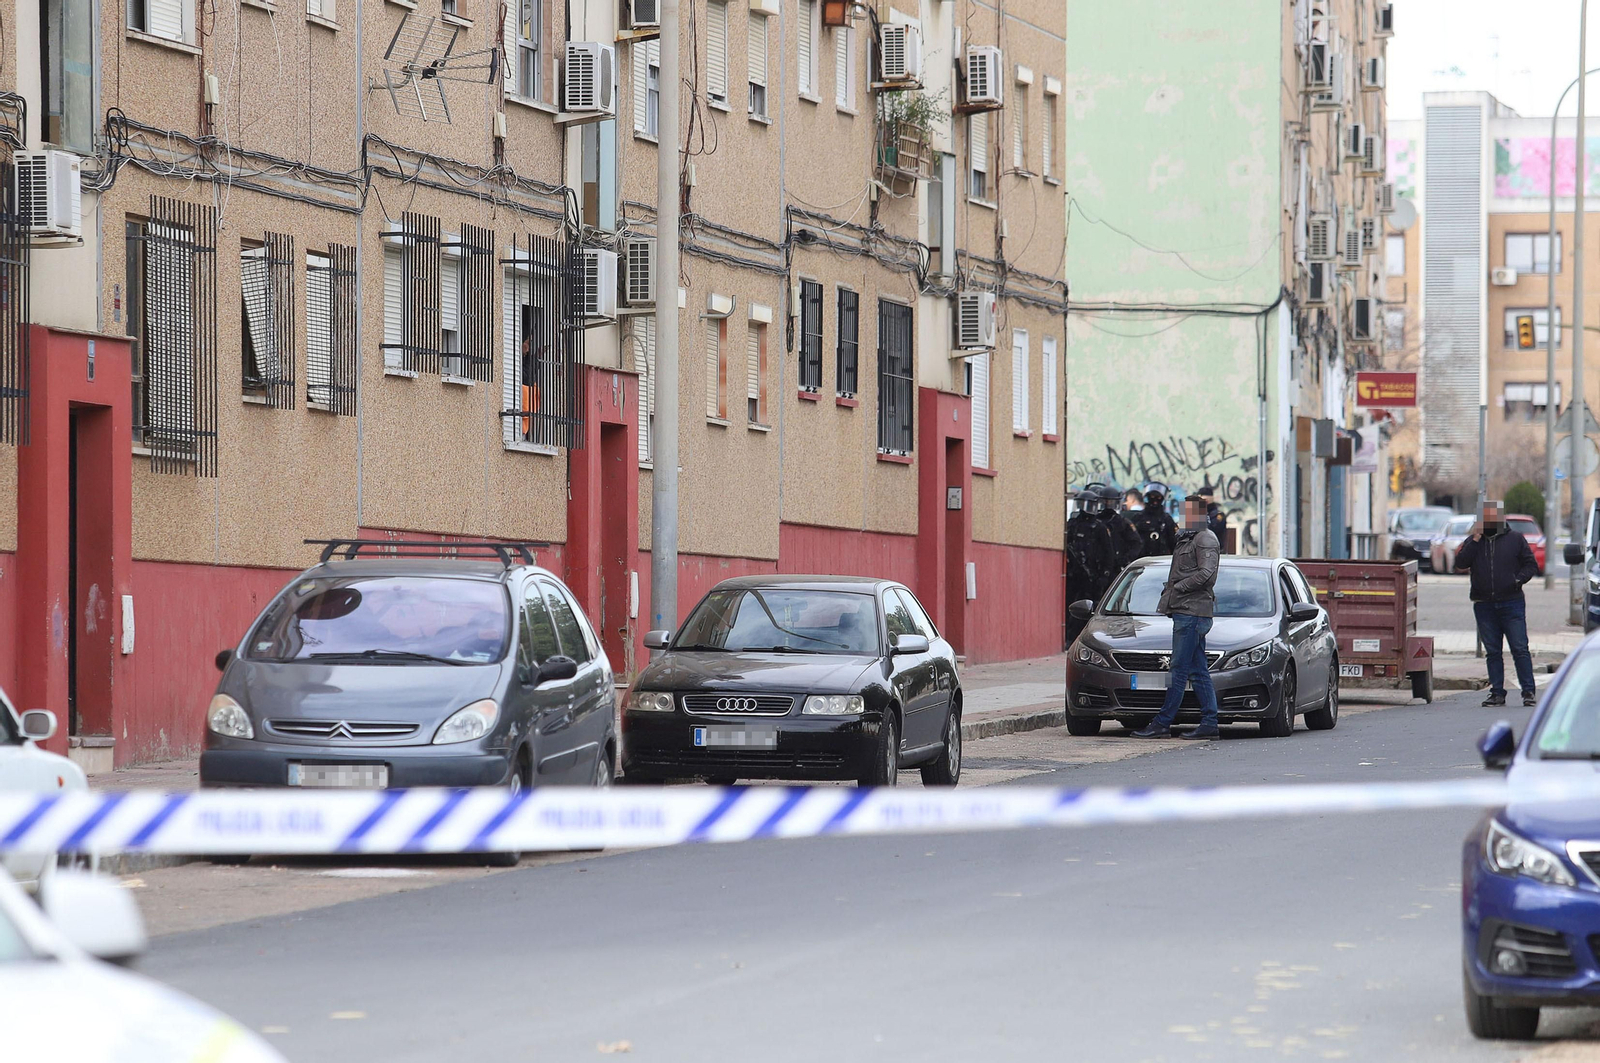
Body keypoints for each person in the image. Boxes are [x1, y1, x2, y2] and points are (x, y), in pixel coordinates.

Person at [1131, 496, 1222, 740]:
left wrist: (1179, 587)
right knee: (1197, 669)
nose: (1186, 517)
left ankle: (1162, 722)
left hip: (1192, 613)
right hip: (1184, 611)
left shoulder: (1204, 538)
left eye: (1191, 513)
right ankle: (1210, 723)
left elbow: (1207, 574)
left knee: (1178, 669)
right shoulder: (1188, 537)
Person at [1454, 500, 1540, 707]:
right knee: (1493, 651)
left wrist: (1517, 580)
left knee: (1519, 648)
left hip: (1511, 602)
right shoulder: (1474, 542)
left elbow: (1531, 565)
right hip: (1484, 604)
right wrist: (1475, 539)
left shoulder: (1515, 539)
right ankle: (1497, 693)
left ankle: (1528, 692)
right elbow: (1460, 563)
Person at [1065, 489, 1117, 647]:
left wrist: (1104, 575)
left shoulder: (1099, 527)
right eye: (1081, 504)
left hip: (1093, 575)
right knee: (1073, 607)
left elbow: (1108, 553)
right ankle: (1070, 639)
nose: (1084, 508)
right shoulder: (1072, 524)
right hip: (1075, 575)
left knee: (1092, 608)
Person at [1095, 484, 1144, 575]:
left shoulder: (1122, 522)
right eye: (1106, 501)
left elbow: (1136, 544)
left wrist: (1125, 560)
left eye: (1111, 502)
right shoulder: (1095, 522)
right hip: (1097, 567)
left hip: (1116, 568)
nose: (1108, 505)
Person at [1130, 481, 1178, 557]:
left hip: (1161, 560)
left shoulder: (1166, 519)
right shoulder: (1138, 518)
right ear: (1148, 496)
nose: (1155, 500)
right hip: (1141, 560)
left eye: (1158, 497)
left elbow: (1173, 543)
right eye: (1152, 496)